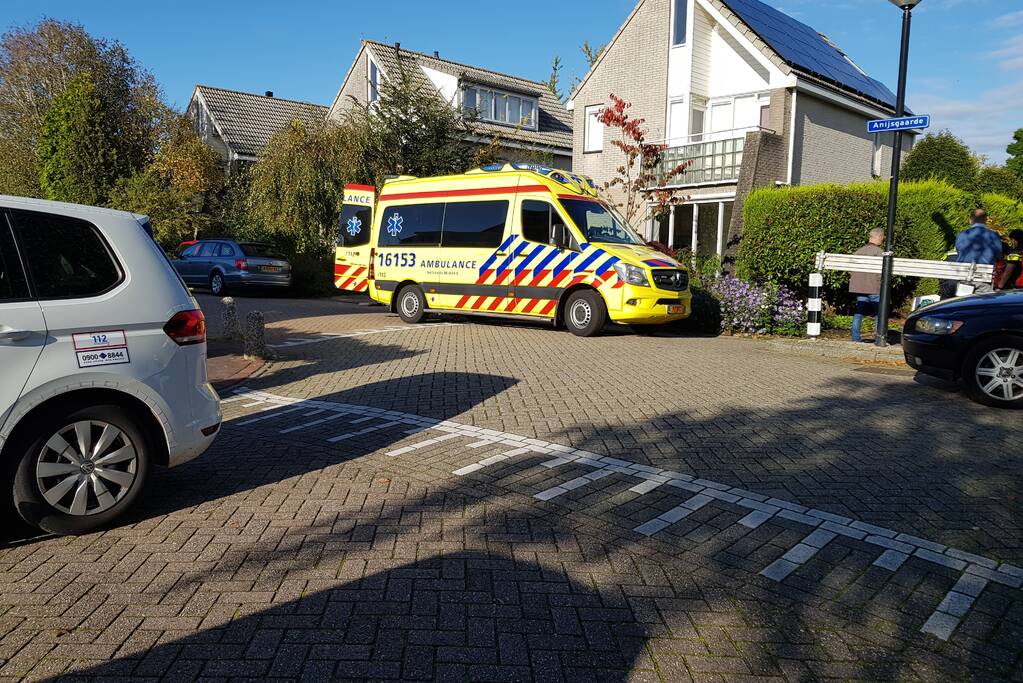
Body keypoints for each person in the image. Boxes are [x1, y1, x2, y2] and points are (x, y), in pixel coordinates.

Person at [849, 227, 884, 342]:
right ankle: (879, 338)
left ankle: (855, 338)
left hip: (859, 287)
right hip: (874, 287)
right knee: (880, 313)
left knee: (859, 311)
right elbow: (882, 272)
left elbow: (850, 269)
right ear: (878, 237)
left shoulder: (859, 251)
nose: (883, 239)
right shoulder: (879, 252)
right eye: (882, 237)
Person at [956, 209, 1002, 294]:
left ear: (970, 220)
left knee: (965, 304)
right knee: (982, 305)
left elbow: (959, 252)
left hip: (964, 276)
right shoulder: (993, 235)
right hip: (984, 277)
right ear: (986, 220)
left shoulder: (962, 234)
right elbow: (998, 255)